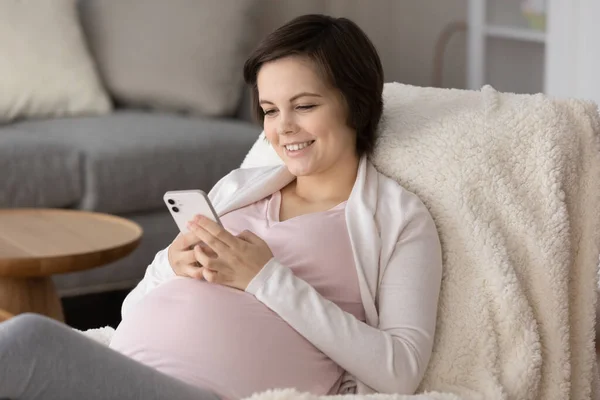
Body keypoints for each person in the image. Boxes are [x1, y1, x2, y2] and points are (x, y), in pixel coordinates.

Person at [0, 14, 442, 400]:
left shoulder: (398, 218)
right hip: (131, 371)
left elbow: (399, 370)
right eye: (269, 110)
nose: (283, 128)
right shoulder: (242, 187)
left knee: (26, 339)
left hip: (201, 392)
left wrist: (266, 278)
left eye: (304, 106)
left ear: (358, 105)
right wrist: (170, 264)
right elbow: (132, 311)